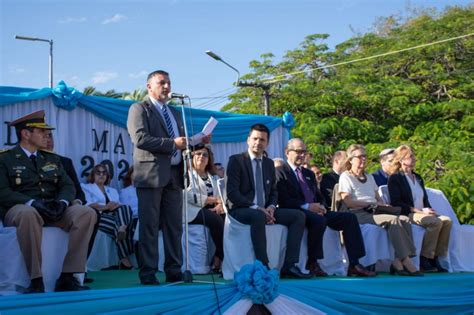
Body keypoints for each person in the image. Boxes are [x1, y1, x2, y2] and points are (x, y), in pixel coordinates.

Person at [127, 70, 210, 285]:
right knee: (150, 226)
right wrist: (172, 144)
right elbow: (140, 139)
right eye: (161, 83)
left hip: (174, 176)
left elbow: (181, 143)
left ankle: (174, 270)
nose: (166, 87)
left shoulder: (174, 111)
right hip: (151, 175)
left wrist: (198, 139)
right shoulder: (139, 108)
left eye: (168, 83)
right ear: (149, 86)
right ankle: (148, 273)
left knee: (174, 226)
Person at [0, 110, 96, 293]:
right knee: (28, 213)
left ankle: (68, 277)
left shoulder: (51, 159)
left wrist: (62, 203)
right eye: (41, 131)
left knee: (86, 213)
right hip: (20, 211)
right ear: (26, 134)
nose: (46, 135)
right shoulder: (5, 159)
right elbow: (2, 191)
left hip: (52, 209)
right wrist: (32, 203)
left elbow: (68, 185)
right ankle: (36, 279)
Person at [276, 139, 375, 277]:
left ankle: (354, 263)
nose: (302, 155)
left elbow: (319, 195)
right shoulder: (280, 171)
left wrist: (321, 206)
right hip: (298, 211)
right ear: (287, 152)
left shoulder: (308, 173)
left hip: (316, 211)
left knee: (349, 218)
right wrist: (307, 206)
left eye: (304, 152)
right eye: (298, 151)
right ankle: (312, 262)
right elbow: (283, 199)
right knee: (318, 220)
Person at [226, 124, 309, 279]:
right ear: (248, 140)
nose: (258, 142)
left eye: (262, 140)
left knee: (298, 216)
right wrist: (257, 208)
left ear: (267, 143)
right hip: (241, 209)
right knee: (258, 216)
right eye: (255, 138)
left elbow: (273, 192)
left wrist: (271, 207)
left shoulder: (269, 163)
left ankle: (290, 265)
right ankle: (263, 265)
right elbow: (232, 194)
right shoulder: (236, 161)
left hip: (265, 209)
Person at [338, 144, 422, 276]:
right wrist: (368, 203)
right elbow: (348, 201)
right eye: (360, 156)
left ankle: (398, 260)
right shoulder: (346, 177)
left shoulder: (369, 177)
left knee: (404, 219)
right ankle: (405, 259)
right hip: (358, 213)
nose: (363, 159)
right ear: (351, 160)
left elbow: (378, 198)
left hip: (375, 210)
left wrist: (382, 205)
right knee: (393, 220)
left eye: (365, 156)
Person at [43, 130, 99, 283]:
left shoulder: (64, 162)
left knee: (91, 214)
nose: (48, 140)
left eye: (51, 136)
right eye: (44, 135)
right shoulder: (24, 160)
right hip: (42, 209)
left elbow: (78, 193)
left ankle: (78, 269)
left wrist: (75, 202)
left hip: (65, 208)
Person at [387, 145, 452, 272]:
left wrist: (429, 210)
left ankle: (436, 257)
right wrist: (419, 211)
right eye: (410, 156)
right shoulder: (395, 178)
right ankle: (425, 258)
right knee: (435, 222)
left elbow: (424, 199)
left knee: (447, 221)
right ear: (401, 160)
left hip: (423, 212)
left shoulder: (418, 177)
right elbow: (396, 202)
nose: (414, 158)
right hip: (409, 213)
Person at [82, 164, 134, 269]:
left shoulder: (112, 190)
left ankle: (122, 227)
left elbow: (119, 205)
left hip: (115, 215)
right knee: (117, 224)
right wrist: (106, 207)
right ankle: (124, 257)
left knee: (126, 208)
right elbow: (88, 205)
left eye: (104, 173)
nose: (101, 175)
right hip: (98, 216)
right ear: (93, 175)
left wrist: (115, 205)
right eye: (98, 173)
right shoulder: (86, 187)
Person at [185, 144, 224, 272]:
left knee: (227, 218)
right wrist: (213, 200)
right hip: (191, 211)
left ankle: (225, 257)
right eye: (198, 154)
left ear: (209, 159)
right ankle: (220, 257)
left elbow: (222, 195)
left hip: (212, 210)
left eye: (205, 155)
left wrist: (219, 205)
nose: (201, 156)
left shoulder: (213, 176)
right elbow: (188, 195)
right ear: (192, 156)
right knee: (216, 220)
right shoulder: (186, 175)